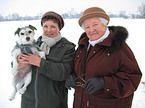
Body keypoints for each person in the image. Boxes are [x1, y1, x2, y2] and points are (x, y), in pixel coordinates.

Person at [65, 7, 142, 108]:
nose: (91, 29)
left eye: (95, 24)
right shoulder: (82, 46)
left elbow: (132, 79)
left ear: (105, 25)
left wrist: (105, 83)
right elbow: (78, 68)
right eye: (87, 27)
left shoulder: (118, 47)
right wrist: (72, 76)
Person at [17, 11, 75, 108]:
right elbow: (16, 65)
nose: (49, 30)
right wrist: (19, 63)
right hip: (28, 102)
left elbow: (63, 72)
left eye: (53, 26)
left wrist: (40, 62)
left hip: (53, 103)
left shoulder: (67, 47)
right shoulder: (34, 44)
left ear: (59, 28)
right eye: (45, 26)